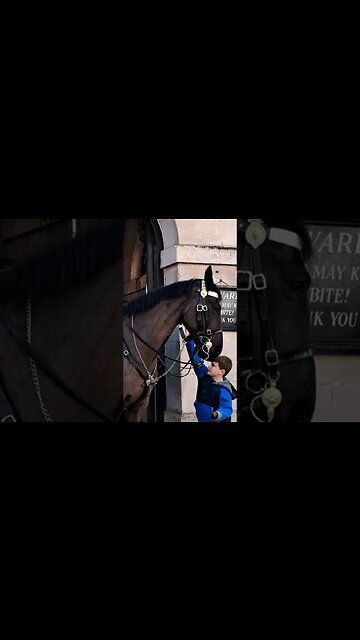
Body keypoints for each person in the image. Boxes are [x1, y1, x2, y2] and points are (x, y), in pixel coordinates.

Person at [183, 328, 237, 423]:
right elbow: (195, 360)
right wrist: (189, 339)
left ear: (222, 372)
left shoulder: (224, 389)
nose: (209, 366)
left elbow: (227, 409)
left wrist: (217, 414)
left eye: (213, 365)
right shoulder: (204, 375)